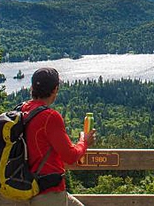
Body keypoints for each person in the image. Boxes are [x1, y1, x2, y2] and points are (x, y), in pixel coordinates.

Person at [20, 67, 96, 206]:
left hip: (22, 186)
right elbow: (70, 156)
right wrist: (84, 141)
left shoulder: (22, 110)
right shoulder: (50, 117)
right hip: (47, 192)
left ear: (32, 88)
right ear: (55, 89)